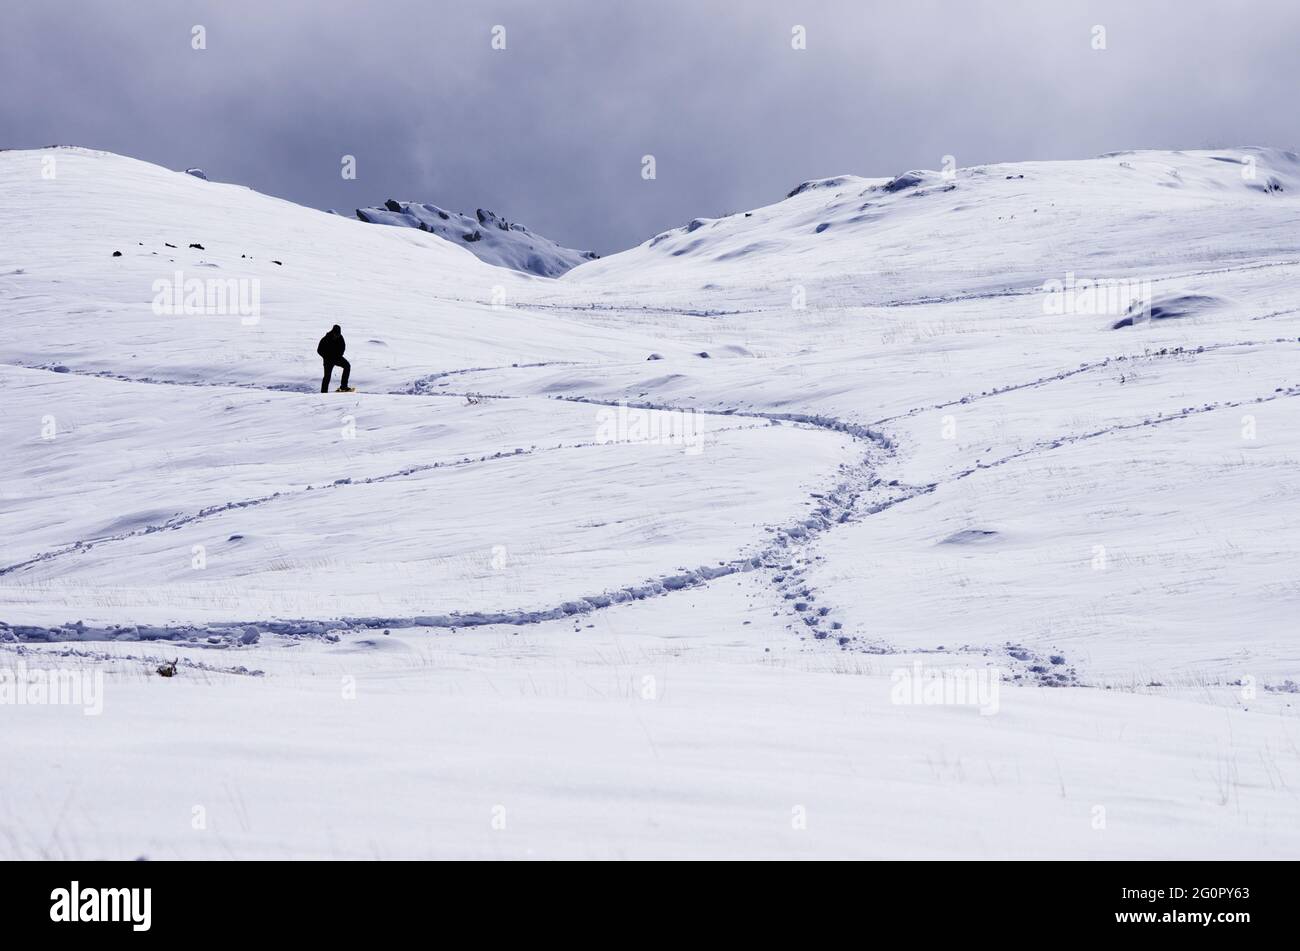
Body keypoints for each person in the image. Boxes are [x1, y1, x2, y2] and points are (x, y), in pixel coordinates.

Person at [317, 324, 353, 392]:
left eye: (338, 334)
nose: (337, 335)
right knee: (327, 377)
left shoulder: (340, 338)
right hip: (328, 360)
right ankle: (323, 392)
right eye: (336, 334)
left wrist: (339, 356)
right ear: (333, 332)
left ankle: (343, 387)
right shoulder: (325, 338)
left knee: (347, 366)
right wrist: (326, 357)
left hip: (337, 358)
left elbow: (343, 347)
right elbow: (319, 350)